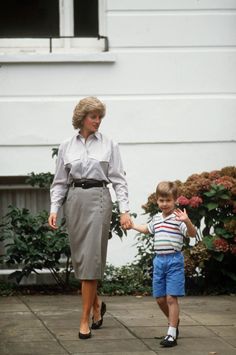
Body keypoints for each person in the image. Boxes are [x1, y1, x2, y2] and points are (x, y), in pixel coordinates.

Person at [48, 96, 132, 339]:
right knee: (81, 259)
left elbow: (119, 180)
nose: (97, 121)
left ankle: (84, 320)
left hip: (99, 199)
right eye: (93, 116)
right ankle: (96, 305)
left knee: (91, 260)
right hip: (74, 200)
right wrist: (55, 209)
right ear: (82, 118)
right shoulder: (66, 145)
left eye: (100, 117)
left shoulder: (109, 144)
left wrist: (124, 210)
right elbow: (60, 182)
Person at [130, 181, 196, 347]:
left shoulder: (179, 218)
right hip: (159, 261)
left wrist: (187, 221)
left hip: (174, 261)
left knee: (171, 298)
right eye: (161, 200)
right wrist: (132, 226)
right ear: (157, 201)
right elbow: (147, 229)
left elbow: (192, 234)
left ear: (175, 201)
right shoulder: (157, 218)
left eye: (168, 200)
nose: (165, 204)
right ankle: (174, 321)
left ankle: (171, 333)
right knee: (160, 299)